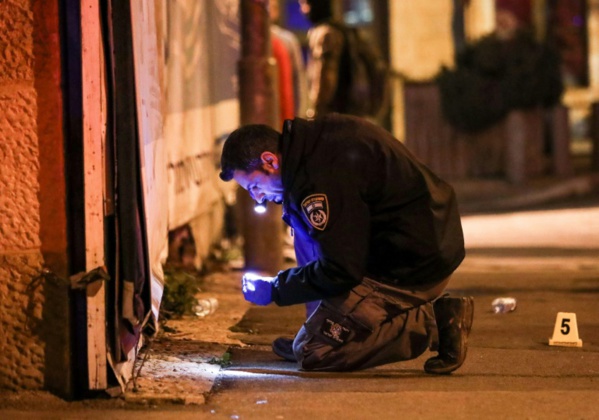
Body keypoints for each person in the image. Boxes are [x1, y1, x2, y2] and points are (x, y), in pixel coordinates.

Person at [219, 114, 473, 373]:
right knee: (303, 225)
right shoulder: (310, 147)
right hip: (413, 241)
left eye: (254, 186)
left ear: (269, 160)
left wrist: (275, 289)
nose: (258, 198)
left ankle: (435, 322)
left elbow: (341, 269)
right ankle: (316, 327)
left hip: (410, 265)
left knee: (312, 352)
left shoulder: (321, 181)